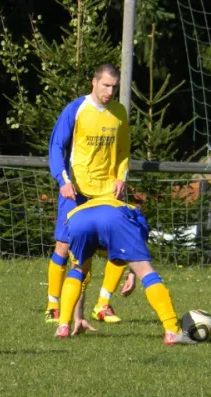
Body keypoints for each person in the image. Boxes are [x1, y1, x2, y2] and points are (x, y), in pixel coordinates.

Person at [46, 63, 134, 326]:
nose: (110, 91)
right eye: (105, 85)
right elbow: (56, 147)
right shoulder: (76, 109)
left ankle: (103, 304)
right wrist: (63, 180)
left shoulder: (119, 113)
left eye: (114, 87)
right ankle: (53, 305)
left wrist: (121, 177)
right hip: (77, 190)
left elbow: (123, 152)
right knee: (64, 246)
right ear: (94, 83)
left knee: (119, 246)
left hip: (106, 191)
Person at [55, 197, 197, 345]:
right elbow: (137, 245)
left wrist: (78, 317)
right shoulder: (134, 211)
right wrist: (133, 273)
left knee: (77, 272)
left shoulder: (81, 209)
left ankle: (63, 325)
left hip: (77, 219)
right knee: (147, 272)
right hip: (113, 217)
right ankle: (172, 330)